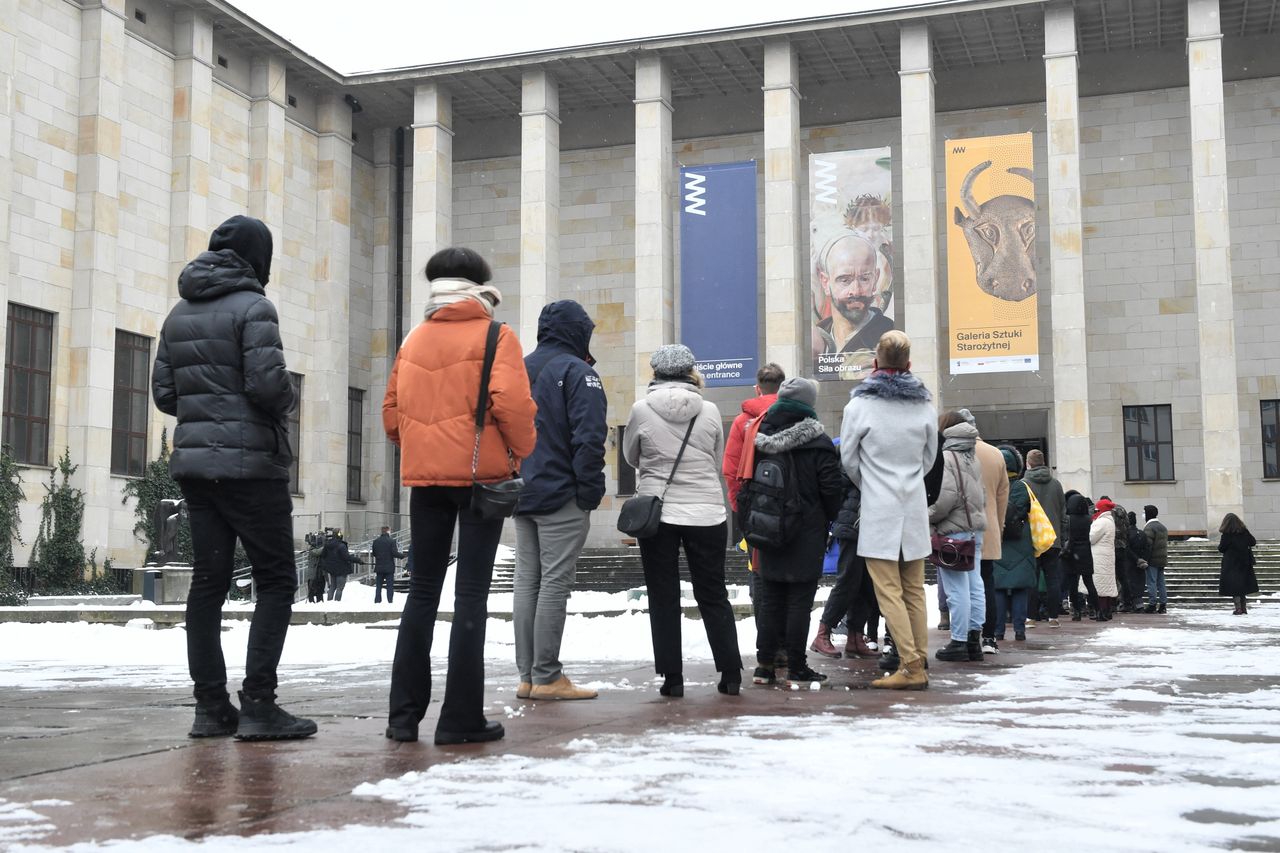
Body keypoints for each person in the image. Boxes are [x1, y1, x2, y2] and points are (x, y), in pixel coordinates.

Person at [152, 214, 316, 741]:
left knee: (208, 583)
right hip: (250, 469)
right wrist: (286, 403)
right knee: (275, 580)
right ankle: (260, 704)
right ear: (257, 258)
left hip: (198, 470)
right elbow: (269, 387)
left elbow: (165, 395)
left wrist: (208, 414)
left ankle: (210, 707)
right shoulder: (254, 308)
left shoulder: (178, 314)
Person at [384, 247, 537, 745]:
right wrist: (521, 449)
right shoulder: (497, 335)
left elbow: (391, 412)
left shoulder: (413, 339)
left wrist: (422, 442)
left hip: (426, 482)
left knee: (422, 593)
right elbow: (513, 405)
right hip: (481, 480)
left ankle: (402, 718)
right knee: (470, 593)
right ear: (481, 286)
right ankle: (459, 718)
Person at [624, 344, 743, 698]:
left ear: (656, 373)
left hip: (659, 512)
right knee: (713, 593)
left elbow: (632, 456)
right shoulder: (708, 411)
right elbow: (717, 457)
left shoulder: (641, 410)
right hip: (706, 512)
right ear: (690, 372)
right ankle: (731, 672)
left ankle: (672, 678)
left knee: (663, 594)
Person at [513, 300, 607, 702]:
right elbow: (589, 437)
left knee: (526, 584)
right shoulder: (579, 372)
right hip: (561, 493)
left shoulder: (518, 368)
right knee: (553, 584)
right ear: (578, 333)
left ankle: (528, 675)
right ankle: (547, 676)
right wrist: (589, 491)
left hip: (522, 490)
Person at [840, 330, 938, 690]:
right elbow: (929, 459)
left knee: (888, 590)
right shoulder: (925, 406)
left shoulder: (859, 407)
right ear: (909, 365)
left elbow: (848, 459)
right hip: (912, 505)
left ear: (875, 363)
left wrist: (872, 483)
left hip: (879, 506)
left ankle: (910, 666)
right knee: (913, 588)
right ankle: (920, 659)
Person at [745, 378, 842, 686]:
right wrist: (827, 519)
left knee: (771, 596)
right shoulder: (819, 442)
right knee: (800, 599)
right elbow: (832, 491)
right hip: (807, 531)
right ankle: (797, 665)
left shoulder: (761, 436)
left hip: (769, 528)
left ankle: (764, 666)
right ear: (808, 405)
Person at [928, 411, 987, 662]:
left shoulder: (947, 457)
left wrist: (926, 515)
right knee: (975, 585)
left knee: (956, 589)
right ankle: (974, 640)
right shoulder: (972, 456)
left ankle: (959, 641)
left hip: (953, 530)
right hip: (974, 527)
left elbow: (945, 499)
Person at [814, 232, 895, 357]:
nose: (856, 291)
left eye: (864, 279)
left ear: (876, 279)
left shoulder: (891, 336)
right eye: (845, 280)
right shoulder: (816, 338)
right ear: (825, 282)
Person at [723, 362, 785, 511]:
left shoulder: (742, 421)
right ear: (783, 388)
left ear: (758, 389)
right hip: (794, 502)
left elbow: (732, 468)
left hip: (756, 503)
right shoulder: (799, 415)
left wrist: (738, 504)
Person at [991, 446, 1037, 642]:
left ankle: (998, 630)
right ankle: (1020, 630)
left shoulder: (992, 486)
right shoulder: (1022, 487)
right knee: (1020, 587)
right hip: (1021, 542)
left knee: (998, 587)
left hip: (998, 540)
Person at [1022, 449, 1065, 628]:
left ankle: (1031, 617)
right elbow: (1063, 513)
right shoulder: (1056, 484)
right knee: (1052, 578)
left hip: (1032, 539)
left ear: (1028, 463)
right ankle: (1053, 617)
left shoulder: (1023, 484)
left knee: (1031, 578)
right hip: (1052, 539)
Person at [1061, 491, 1100, 620]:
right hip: (1086, 554)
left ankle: (1077, 611)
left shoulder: (1069, 519)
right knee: (1089, 584)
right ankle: (1097, 610)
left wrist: (1065, 551)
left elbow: (1070, 539)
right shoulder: (1088, 519)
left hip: (1073, 555)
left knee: (1073, 585)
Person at [1217, 513, 1258, 616]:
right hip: (1244, 563)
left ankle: (1238, 608)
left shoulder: (1227, 534)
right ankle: (1244, 608)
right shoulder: (1244, 532)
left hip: (1231, 564)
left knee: (1234, 587)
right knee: (1242, 586)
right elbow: (1253, 542)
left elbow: (1221, 548)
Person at [1089, 498, 1119, 621]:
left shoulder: (1101, 522)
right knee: (1105, 586)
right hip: (1107, 557)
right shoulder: (1110, 521)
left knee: (1099, 587)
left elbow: (1091, 538)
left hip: (1098, 557)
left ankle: (1101, 612)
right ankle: (1107, 611)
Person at [1140, 505, 1168, 614]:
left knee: (1151, 582)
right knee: (1161, 582)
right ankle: (1163, 604)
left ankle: (1152, 604)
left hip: (1153, 559)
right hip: (1162, 559)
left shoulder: (1149, 527)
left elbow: (1148, 546)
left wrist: (1144, 560)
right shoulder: (1162, 527)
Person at [321, 530, 362, 602]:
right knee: (340, 588)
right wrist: (358, 560)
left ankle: (329, 603)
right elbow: (347, 557)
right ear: (340, 535)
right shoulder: (341, 546)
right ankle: (336, 603)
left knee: (332, 587)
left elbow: (323, 555)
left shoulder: (327, 545)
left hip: (331, 569)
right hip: (341, 569)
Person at [371, 527, 405, 604]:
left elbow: (374, 553)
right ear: (388, 531)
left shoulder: (376, 541)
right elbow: (394, 553)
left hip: (379, 566)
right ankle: (390, 600)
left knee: (378, 585)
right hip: (389, 567)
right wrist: (402, 556)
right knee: (389, 585)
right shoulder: (392, 541)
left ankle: (377, 600)